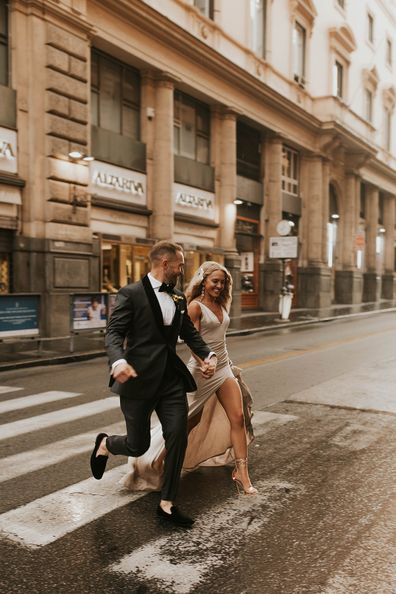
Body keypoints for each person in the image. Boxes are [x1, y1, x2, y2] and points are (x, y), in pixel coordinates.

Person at [90, 241, 217, 528]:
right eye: (180, 264)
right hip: (138, 379)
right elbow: (114, 333)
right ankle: (106, 444)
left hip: (170, 380)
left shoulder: (178, 298)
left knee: (177, 435)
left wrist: (208, 354)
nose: (182, 269)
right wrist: (118, 361)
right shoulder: (131, 294)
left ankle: (167, 503)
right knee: (139, 445)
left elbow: (188, 333)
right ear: (165, 263)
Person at [120, 261, 256, 497]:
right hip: (201, 372)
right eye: (215, 281)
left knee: (238, 417)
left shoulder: (222, 303)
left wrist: (226, 364)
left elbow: (220, 339)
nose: (219, 286)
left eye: (223, 282)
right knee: (185, 422)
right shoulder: (194, 306)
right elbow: (194, 340)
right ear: (203, 281)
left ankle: (242, 474)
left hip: (223, 369)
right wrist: (205, 362)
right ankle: (155, 461)